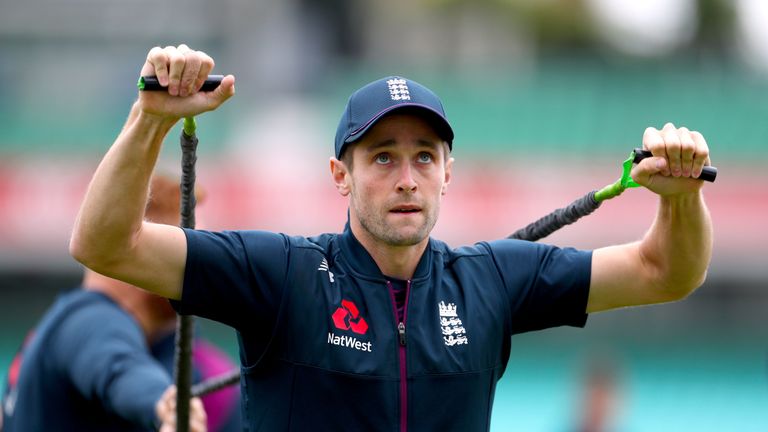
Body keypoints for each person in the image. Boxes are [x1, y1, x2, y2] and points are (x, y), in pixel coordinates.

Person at [69, 44, 713, 431]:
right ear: (339, 176)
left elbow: (665, 271)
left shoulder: (494, 278)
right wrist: (147, 119)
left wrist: (682, 200)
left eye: (424, 157)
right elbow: (106, 245)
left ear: (447, 172)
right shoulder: (279, 272)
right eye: (381, 157)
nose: (407, 179)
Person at [1, 174, 237, 432]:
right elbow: (119, 367)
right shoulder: (87, 322)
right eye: (187, 251)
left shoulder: (178, 353)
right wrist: (163, 404)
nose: (204, 269)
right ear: (139, 255)